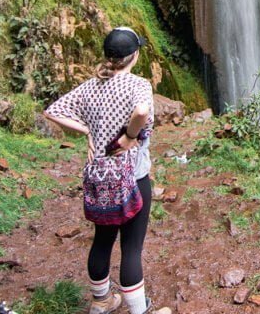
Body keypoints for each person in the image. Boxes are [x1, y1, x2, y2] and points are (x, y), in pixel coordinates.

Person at [44, 27, 168, 314]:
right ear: (134, 55)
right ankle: (140, 311)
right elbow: (140, 112)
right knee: (132, 247)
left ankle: (101, 302)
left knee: (102, 240)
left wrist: (88, 130)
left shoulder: (91, 86)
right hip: (132, 178)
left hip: (100, 178)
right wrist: (130, 136)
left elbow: (53, 111)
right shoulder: (138, 85)